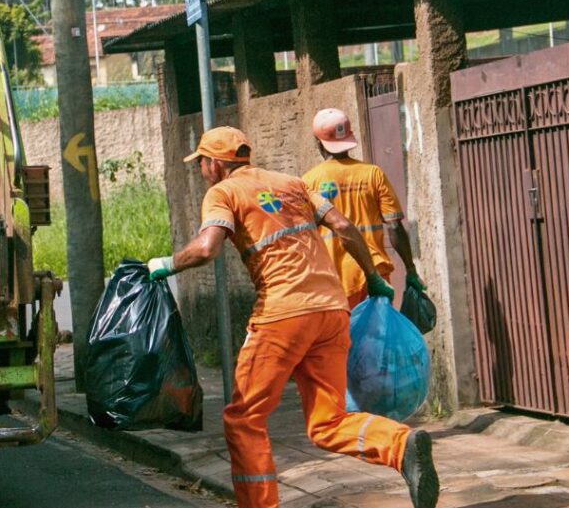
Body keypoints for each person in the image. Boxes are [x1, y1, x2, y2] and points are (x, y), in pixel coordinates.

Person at [146, 126, 439, 508]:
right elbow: (344, 227)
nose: (201, 169)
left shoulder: (223, 192)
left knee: (244, 418)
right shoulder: (292, 184)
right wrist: (372, 277)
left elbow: (207, 248)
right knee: (327, 422)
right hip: (331, 310)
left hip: (282, 314)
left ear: (215, 164)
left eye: (201, 162)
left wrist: (166, 264)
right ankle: (400, 445)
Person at [302, 108, 426, 309]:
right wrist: (410, 269)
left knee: (346, 331)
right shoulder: (373, 174)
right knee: (378, 329)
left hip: (336, 279)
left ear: (318, 142)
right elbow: (394, 226)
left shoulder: (308, 181)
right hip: (376, 275)